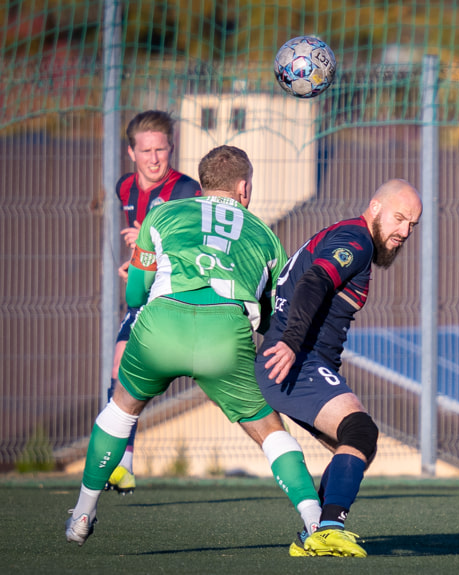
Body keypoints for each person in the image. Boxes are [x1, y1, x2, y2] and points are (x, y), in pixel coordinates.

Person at [65, 146, 323, 547]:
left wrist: (144, 280)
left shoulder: (164, 212)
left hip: (162, 326)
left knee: (121, 409)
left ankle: (83, 513)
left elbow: (135, 294)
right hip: (226, 334)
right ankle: (314, 521)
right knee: (268, 428)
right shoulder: (267, 237)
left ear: (202, 185)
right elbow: (276, 318)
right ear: (244, 187)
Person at [256, 179, 423, 557]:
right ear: (375, 207)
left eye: (412, 225)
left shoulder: (345, 234)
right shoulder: (357, 241)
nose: (404, 231)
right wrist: (291, 342)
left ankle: (313, 533)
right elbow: (314, 280)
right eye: (399, 219)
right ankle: (329, 527)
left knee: (353, 446)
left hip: (298, 360)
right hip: (296, 362)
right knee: (360, 430)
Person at [107, 110, 202, 495]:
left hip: (182, 299)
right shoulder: (124, 188)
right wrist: (137, 265)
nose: (153, 158)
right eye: (145, 150)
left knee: (236, 397)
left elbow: (195, 252)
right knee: (119, 364)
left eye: (160, 149)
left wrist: (148, 255)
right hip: (147, 298)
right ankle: (123, 462)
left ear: (171, 149)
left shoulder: (187, 192)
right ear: (131, 152)